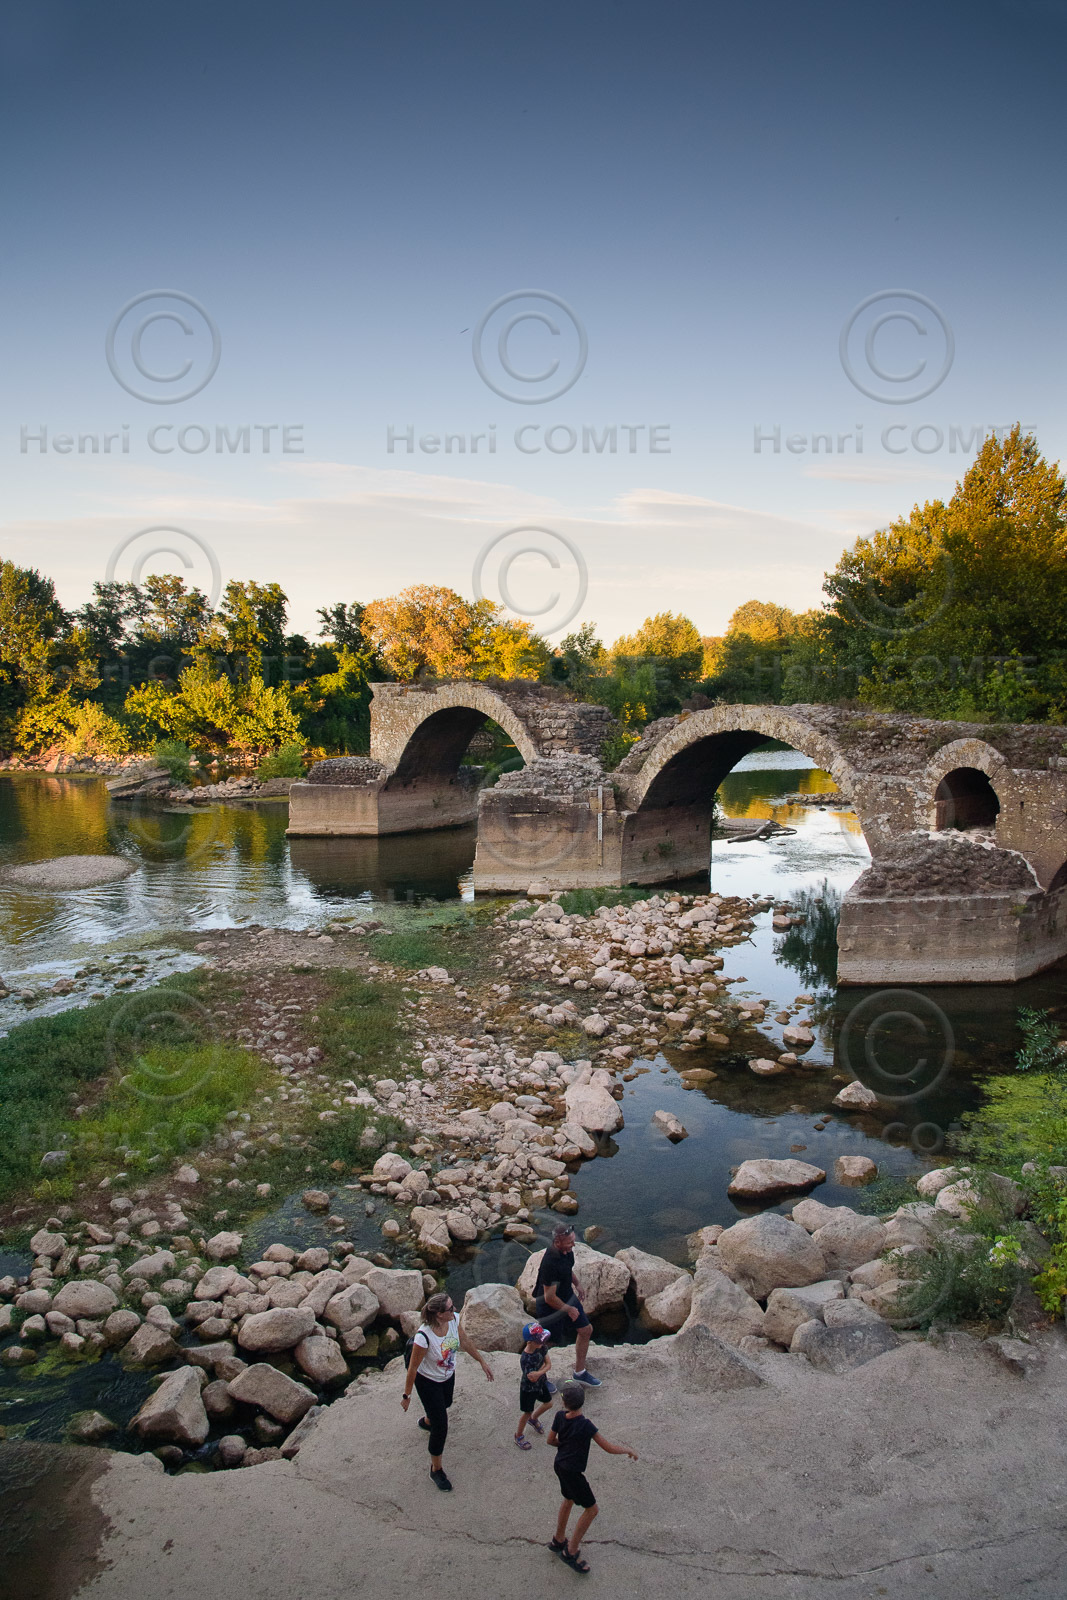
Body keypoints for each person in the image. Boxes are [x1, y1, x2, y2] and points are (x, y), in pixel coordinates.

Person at [400, 1291, 494, 1491]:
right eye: (450, 1308)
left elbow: (465, 1341)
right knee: (441, 1427)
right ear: (438, 1314)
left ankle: (426, 1421)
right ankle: (436, 1469)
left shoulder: (453, 1320)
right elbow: (413, 1369)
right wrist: (407, 1395)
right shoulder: (423, 1337)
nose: (455, 1310)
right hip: (428, 1382)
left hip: (447, 1376)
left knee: (446, 1404)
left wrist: (482, 1362)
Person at [547, 1381, 638, 1574]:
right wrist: (627, 1449)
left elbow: (550, 1440)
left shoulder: (559, 1416)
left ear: (564, 1404)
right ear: (582, 1402)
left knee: (568, 1499)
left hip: (560, 1465)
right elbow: (608, 1447)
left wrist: (563, 1446)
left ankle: (558, 1539)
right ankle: (570, 1552)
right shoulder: (586, 1425)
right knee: (591, 1510)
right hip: (573, 1472)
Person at [533, 1224, 600, 1386]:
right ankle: (538, 1377)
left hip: (566, 1295)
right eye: (570, 1242)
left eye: (573, 1240)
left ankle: (580, 1372)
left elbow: (568, 1269)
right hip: (549, 1306)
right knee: (547, 1342)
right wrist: (569, 1309)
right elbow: (549, 1297)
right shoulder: (550, 1262)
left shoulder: (567, 1252)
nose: (574, 1244)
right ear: (557, 1242)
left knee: (586, 1330)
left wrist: (577, 1284)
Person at [514, 1322, 554, 1449]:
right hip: (528, 1389)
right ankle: (518, 1435)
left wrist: (539, 1372)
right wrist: (540, 1371)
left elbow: (548, 1364)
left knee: (549, 1403)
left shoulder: (541, 1347)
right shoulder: (526, 1359)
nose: (542, 1343)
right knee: (526, 1412)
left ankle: (534, 1418)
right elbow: (531, 1378)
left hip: (541, 1383)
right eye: (538, 1340)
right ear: (529, 1342)